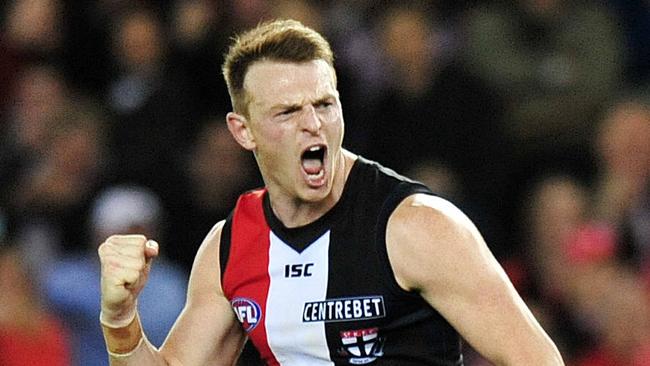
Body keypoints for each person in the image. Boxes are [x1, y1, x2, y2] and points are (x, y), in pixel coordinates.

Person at [98, 19, 564, 365]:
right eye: (287, 113)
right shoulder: (231, 246)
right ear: (243, 132)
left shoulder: (417, 226)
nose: (313, 125)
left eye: (324, 104)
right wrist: (120, 319)